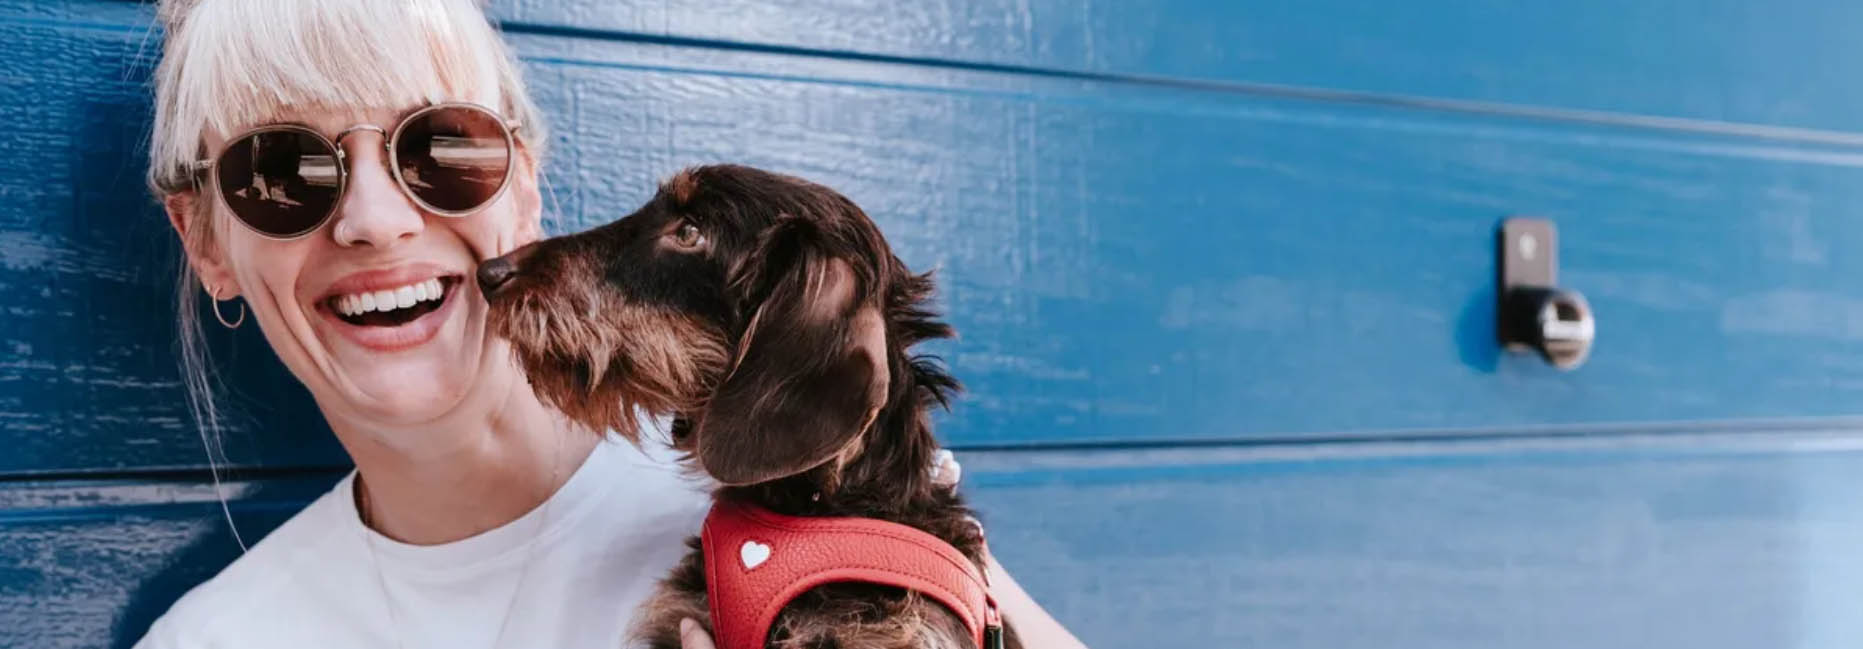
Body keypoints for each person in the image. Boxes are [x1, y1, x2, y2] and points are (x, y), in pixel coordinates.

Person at [132, 1, 1086, 648]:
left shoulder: (823, 515)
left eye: (444, 146)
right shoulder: (213, 637)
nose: (377, 220)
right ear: (205, 239)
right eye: (280, 171)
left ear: (526, 182)